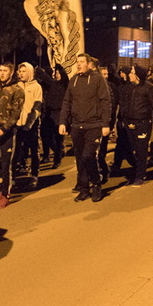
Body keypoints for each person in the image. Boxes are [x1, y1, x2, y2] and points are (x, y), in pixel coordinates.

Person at [59, 53, 112, 202]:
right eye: (77, 62)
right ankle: (84, 189)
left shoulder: (98, 79)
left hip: (94, 125)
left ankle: (96, 183)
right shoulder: (74, 80)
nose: (78, 64)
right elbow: (67, 102)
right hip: (77, 125)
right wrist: (63, 122)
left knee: (88, 155)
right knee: (79, 159)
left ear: (89, 64)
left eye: (82, 61)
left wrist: (106, 123)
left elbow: (105, 101)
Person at [113, 64, 153, 186]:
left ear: (137, 75)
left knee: (141, 151)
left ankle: (140, 176)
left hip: (143, 123)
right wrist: (122, 120)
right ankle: (136, 171)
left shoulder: (148, 88)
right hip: (128, 123)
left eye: (132, 73)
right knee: (129, 149)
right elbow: (123, 104)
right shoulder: (128, 88)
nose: (129, 75)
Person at [0, 63, 25, 208]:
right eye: (0, 70)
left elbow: (16, 114)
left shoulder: (17, 90)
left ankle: (6, 194)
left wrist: (4, 129)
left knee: (7, 165)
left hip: (8, 132)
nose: (2, 73)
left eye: (5, 71)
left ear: (11, 73)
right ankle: (2, 188)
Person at [15, 62, 44, 189]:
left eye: (24, 71)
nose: (21, 74)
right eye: (20, 71)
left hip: (31, 124)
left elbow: (37, 106)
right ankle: (21, 170)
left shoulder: (36, 87)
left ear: (30, 72)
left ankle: (34, 175)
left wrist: (29, 123)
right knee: (18, 149)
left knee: (33, 149)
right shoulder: (17, 86)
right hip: (17, 123)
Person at [38, 64, 67, 168]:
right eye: (55, 73)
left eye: (58, 73)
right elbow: (44, 80)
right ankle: (55, 153)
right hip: (49, 114)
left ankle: (57, 159)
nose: (56, 75)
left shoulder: (64, 85)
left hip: (59, 114)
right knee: (47, 137)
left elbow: (46, 77)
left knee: (58, 139)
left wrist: (38, 69)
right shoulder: (51, 84)